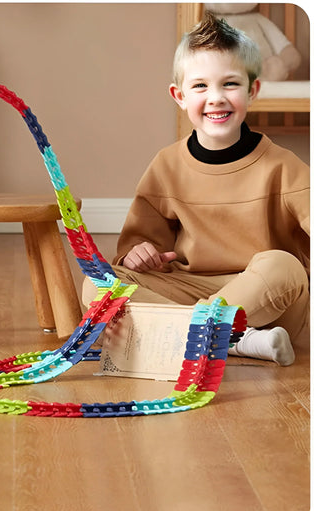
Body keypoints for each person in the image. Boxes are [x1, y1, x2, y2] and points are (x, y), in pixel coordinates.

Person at [82, 12, 309, 366]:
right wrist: (138, 254)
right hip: (188, 287)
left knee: (284, 266)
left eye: (230, 84)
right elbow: (137, 248)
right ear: (180, 96)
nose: (216, 98)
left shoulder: (283, 166)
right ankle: (234, 341)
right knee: (98, 284)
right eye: (201, 86)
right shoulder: (166, 165)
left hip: (262, 300)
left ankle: (185, 333)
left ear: (253, 91)